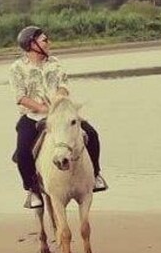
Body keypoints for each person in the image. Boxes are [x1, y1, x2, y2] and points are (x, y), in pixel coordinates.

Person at [9, 25, 108, 209]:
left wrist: (59, 99)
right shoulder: (17, 68)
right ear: (32, 44)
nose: (49, 43)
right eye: (44, 40)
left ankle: (96, 176)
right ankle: (33, 190)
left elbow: (63, 85)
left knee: (92, 135)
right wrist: (41, 108)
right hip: (33, 116)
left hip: (61, 113)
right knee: (23, 151)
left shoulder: (54, 62)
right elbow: (20, 97)